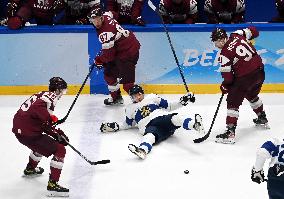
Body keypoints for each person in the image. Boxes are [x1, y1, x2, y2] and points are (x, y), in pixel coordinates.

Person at [100, 84, 205, 159]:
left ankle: (195, 125)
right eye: (134, 96)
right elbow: (128, 124)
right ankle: (142, 150)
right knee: (149, 136)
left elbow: (170, 106)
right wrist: (115, 126)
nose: (137, 97)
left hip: (161, 119)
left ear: (142, 93)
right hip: (150, 126)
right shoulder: (130, 108)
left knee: (175, 118)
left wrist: (183, 100)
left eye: (139, 94)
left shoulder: (152, 98)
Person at [12, 77, 69, 197]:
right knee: (60, 149)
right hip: (28, 133)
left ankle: (30, 169)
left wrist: (56, 133)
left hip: (22, 129)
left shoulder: (42, 94)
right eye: (62, 91)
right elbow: (45, 122)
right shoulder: (49, 99)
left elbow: (41, 122)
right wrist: (57, 134)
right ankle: (52, 185)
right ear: (57, 90)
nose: (63, 94)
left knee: (41, 144)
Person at [211, 26, 269, 144]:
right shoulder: (237, 34)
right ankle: (262, 117)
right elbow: (255, 32)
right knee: (251, 94)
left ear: (221, 40)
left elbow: (228, 78)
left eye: (216, 42)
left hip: (245, 78)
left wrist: (225, 86)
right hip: (260, 72)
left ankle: (230, 133)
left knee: (232, 102)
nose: (216, 45)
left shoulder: (224, 54)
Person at [89, 7, 141, 105]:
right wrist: (116, 37)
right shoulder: (107, 15)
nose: (96, 23)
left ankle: (141, 105)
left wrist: (99, 59)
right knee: (109, 75)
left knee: (127, 84)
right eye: (93, 20)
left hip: (127, 53)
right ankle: (116, 98)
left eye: (98, 19)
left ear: (101, 17)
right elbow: (114, 13)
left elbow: (109, 56)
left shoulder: (105, 33)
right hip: (123, 49)